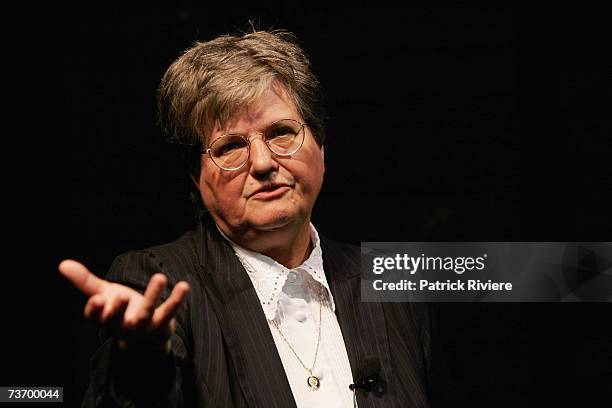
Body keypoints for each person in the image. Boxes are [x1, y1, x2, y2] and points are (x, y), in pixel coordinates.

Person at [60, 29, 444, 407]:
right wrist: (142, 362)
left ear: (322, 148)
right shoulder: (158, 281)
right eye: (230, 146)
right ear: (197, 177)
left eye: (281, 133)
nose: (262, 163)